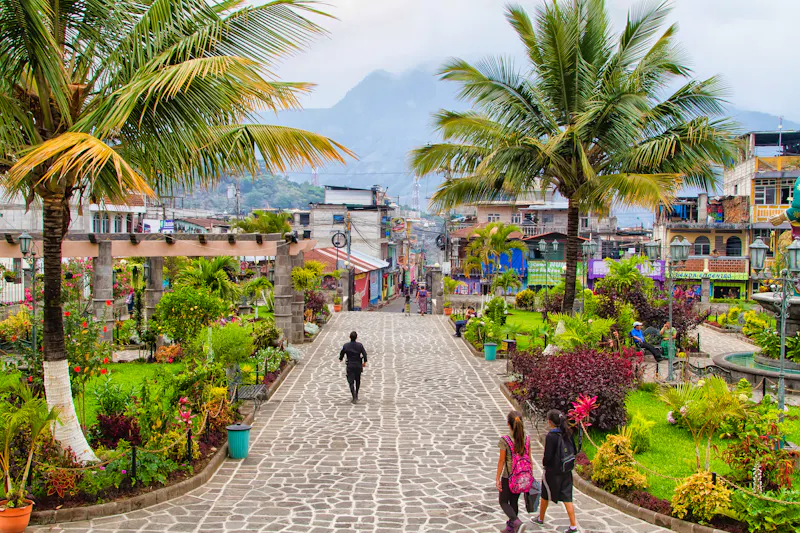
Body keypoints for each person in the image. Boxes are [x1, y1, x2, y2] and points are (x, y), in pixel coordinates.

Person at [534, 410, 578, 532]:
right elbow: (574, 449)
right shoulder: (568, 432)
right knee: (567, 497)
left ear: (550, 421)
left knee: (545, 493)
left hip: (553, 471)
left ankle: (541, 518)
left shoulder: (551, 436)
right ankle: (573, 525)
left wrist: (545, 465)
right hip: (566, 470)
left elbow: (548, 456)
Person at [496, 410, 530, 533]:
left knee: (503, 501)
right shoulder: (526, 438)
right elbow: (529, 457)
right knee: (514, 501)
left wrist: (497, 478)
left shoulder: (505, 440)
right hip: (522, 475)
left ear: (508, 424)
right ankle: (511, 528)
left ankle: (516, 522)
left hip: (509, 476)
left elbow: (502, 461)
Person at [339, 331, 367, 403]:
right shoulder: (360, 345)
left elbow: (342, 353)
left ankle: (353, 395)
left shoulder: (346, 345)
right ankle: (356, 394)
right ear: (356, 337)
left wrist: (341, 358)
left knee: (350, 381)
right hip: (358, 364)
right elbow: (364, 354)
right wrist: (364, 362)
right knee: (358, 380)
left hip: (350, 365)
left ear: (349, 337)